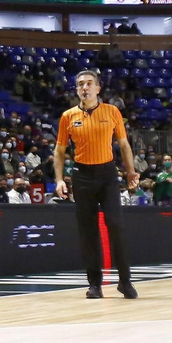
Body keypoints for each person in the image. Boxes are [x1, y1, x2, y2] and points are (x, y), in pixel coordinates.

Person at [54, 69, 139, 299]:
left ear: (98, 88)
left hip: (108, 173)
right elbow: (60, 151)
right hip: (82, 176)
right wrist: (60, 179)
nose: (85, 87)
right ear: (76, 89)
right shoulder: (68, 116)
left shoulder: (112, 112)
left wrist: (131, 172)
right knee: (88, 231)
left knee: (115, 224)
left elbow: (123, 144)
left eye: (89, 83)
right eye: (81, 84)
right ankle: (95, 284)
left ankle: (125, 281)